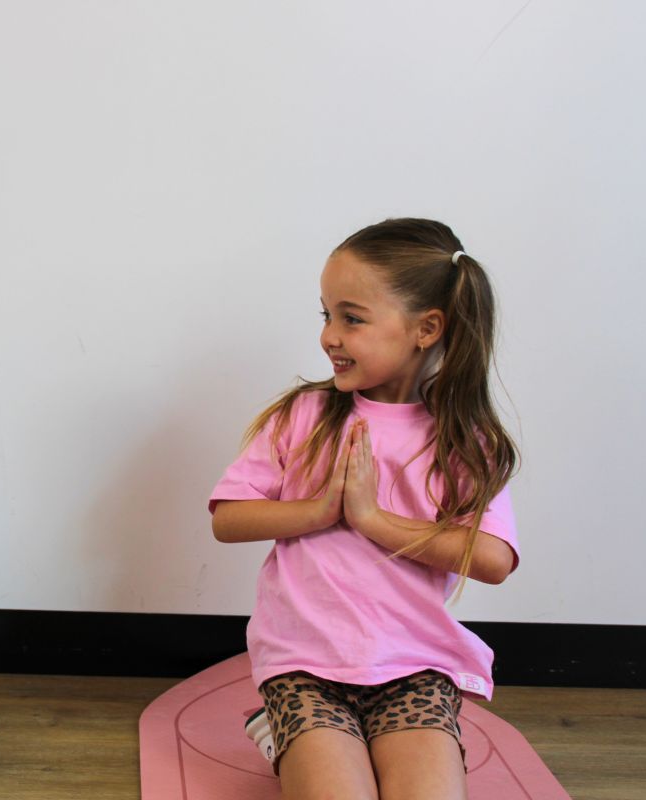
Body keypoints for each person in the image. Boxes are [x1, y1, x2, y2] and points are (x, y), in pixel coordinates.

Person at [209, 218, 519, 799]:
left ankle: (402, 736)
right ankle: (281, 727)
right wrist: (321, 510)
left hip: (414, 666)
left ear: (426, 328)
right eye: (326, 315)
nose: (329, 335)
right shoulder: (302, 415)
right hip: (305, 666)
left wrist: (372, 518)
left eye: (351, 318)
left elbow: (494, 558)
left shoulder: (465, 439)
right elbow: (228, 518)